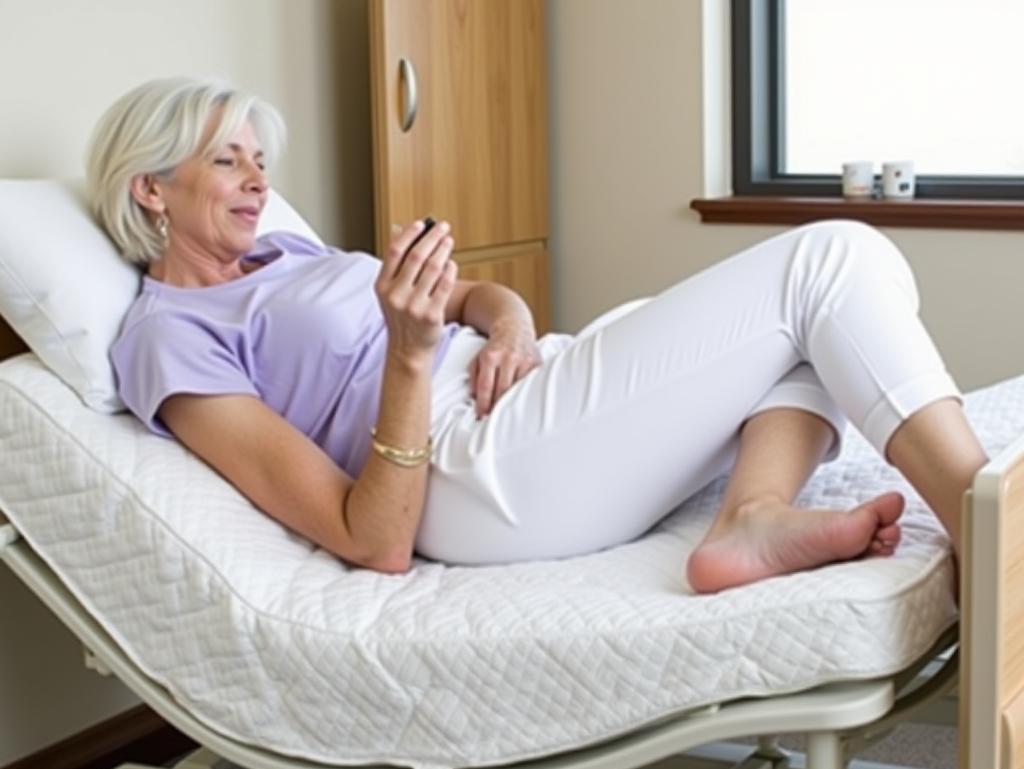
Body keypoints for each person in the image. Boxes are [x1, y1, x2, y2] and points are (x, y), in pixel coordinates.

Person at [88, 78, 989, 592]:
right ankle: (985, 527)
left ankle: (751, 519)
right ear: (150, 189)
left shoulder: (283, 251)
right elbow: (370, 539)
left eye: (258, 159)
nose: (256, 179)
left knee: (807, 333)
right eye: (224, 159)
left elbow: (473, 296)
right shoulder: (166, 338)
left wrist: (512, 324)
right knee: (833, 260)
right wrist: (408, 354)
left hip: (515, 392)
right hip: (468, 471)